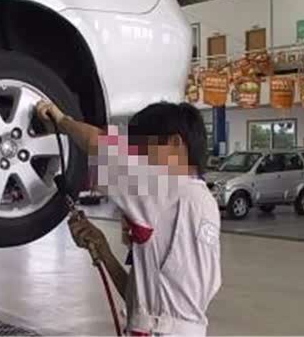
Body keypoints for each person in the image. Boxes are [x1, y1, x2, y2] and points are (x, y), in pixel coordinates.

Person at [36, 100, 221, 336]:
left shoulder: (167, 188)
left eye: (142, 149)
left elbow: (101, 146)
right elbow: (140, 305)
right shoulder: (204, 202)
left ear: (175, 143)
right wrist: (104, 251)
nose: (137, 158)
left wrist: (62, 122)